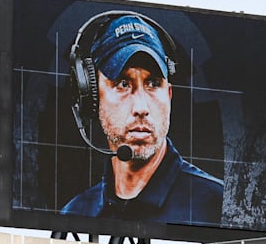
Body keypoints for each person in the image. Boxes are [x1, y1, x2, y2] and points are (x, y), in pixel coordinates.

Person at [61, 12, 223, 226]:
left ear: (169, 94)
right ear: (91, 95)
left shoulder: (218, 206)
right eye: (123, 84)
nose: (141, 108)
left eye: (153, 84)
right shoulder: (75, 215)